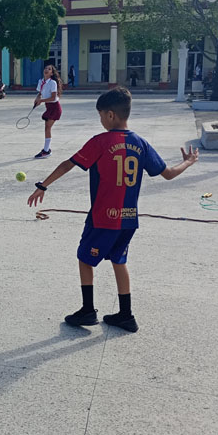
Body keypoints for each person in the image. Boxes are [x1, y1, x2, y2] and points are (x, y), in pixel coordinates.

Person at [27, 87, 199, 332]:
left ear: (109, 115)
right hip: (129, 219)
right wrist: (188, 162)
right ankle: (126, 315)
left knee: (85, 259)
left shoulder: (100, 141)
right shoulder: (140, 143)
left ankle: (88, 311)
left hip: (102, 218)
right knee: (119, 260)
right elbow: (168, 174)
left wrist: (43, 185)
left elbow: (69, 164)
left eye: (100, 116)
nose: (100, 121)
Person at [32, 65, 62, 159]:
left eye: (49, 69)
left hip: (55, 107)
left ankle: (46, 150)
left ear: (51, 73)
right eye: (45, 68)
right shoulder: (41, 81)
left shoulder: (53, 83)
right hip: (48, 107)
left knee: (47, 128)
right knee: (47, 128)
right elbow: (40, 92)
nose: (46, 70)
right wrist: (37, 98)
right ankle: (46, 149)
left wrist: (41, 101)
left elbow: (53, 98)